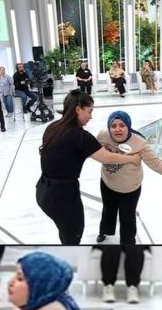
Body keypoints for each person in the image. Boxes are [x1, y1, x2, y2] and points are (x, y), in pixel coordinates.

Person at [36, 90, 141, 244]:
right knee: (73, 234)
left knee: (65, 231)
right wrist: (132, 158)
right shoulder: (80, 136)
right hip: (61, 196)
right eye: (89, 111)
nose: (91, 116)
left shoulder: (53, 126)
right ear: (78, 109)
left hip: (42, 190)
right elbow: (107, 157)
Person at [95, 111, 162, 244]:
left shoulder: (140, 143)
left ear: (128, 126)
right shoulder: (103, 136)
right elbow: (91, 150)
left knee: (127, 217)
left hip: (130, 189)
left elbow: (157, 164)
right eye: (113, 126)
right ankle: (104, 231)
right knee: (108, 210)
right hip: (107, 183)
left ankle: (128, 243)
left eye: (122, 125)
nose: (117, 129)